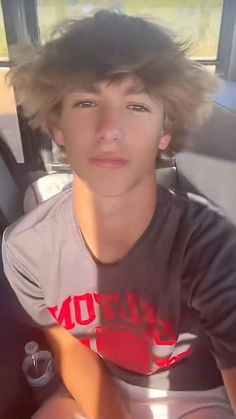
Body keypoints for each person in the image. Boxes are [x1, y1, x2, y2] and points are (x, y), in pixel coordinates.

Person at [2, 10, 236, 419]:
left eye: (137, 106)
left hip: (201, 396)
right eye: (87, 102)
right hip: (101, 391)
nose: (109, 128)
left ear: (165, 131)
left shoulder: (211, 246)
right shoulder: (27, 249)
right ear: (58, 127)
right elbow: (68, 345)